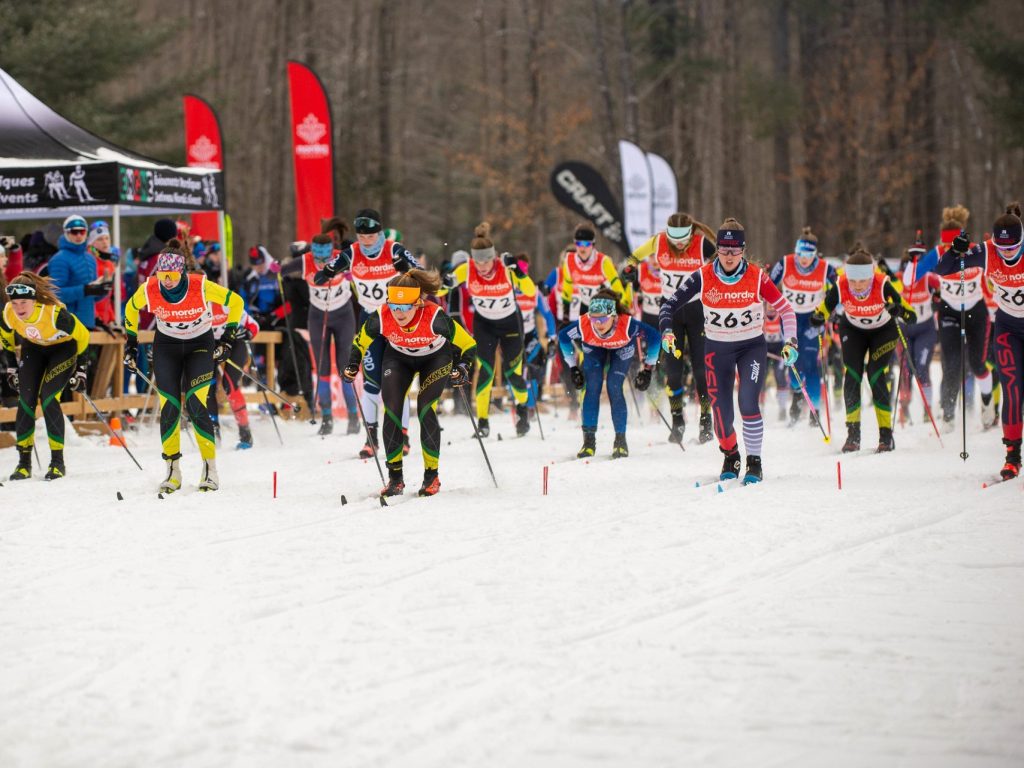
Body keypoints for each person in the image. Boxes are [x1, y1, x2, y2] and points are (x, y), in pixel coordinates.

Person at [659, 218, 798, 483]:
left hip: (750, 348)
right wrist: (666, 330)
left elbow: (786, 310)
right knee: (721, 412)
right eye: (724, 250)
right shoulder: (703, 275)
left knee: (747, 402)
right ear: (718, 250)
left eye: (734, 251)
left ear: (743, 250)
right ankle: (731, 454)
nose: (729, 256)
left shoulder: (757, 278)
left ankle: (754, 461)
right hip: (717, 349)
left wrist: (790, 342)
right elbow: (669, 305)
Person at [123, 238, 245, 493]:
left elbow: (236, 303)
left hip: (199, 344)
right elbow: (130, 308)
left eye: (172, 275)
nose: (167, 280)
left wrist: (228, 337)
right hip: (166, 346)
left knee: (195, 402)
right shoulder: (150, 288)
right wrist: (132, 342)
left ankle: (210, 468)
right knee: (170, 405)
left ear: (181, 272)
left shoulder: (200, 286)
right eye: (162, 275)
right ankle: (172, 470)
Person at [344, 269, 477, 497]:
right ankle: (395, 479)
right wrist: (353, 365)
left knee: (426, 408)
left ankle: (431, 477)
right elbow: (359, 342)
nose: (399, 312)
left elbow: (469, 344)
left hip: (435, 358)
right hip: (398, 358)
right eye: (394, 306)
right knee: (393, 410)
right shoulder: (382, 315)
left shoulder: (435, 316)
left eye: (405, 307)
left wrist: (463, 367)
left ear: (418, 303)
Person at [315, 208, 421, 458]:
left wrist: (407, 269)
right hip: (370, 321)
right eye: (361, 237)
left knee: (398, 381)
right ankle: (371, 436)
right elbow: (331, 267)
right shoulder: (352, 253)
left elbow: (420, 273)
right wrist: (325, 274)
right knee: (372, 382)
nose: (365, 241)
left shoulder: (394, 250)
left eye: (370, 236)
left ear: (379, 233)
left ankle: (402, 435)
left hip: (397, 320)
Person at [809, 245, 917, 453]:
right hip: (853, 330)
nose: (857, 286)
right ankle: (853, 435)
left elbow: (911, 316)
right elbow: (823, 309)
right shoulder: (841, 285)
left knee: (876, 374)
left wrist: (898, 310)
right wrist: (817, 317)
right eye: (853, 281)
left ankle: (886, 435)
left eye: (862, 280)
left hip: (883, 331)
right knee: (852, 376)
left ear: (871, 276)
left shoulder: (883, 283)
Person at [623, 213, 717, 444]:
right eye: (674, 239)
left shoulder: (701, 243)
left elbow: (725, 260)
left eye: (682, 239)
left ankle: (706, 419)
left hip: (697, 311)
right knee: (673, 373)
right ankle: (678, 421)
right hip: (670, 313)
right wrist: (629, 269)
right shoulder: (658, 241)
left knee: (701, 371)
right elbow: (634, 257)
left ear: (691, 233)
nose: (678, 244)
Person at [444, 223, 535, 437]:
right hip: (484, 324)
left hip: (510, 323)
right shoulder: (467, 268)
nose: (482, 266)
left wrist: (519, 272)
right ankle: (483, 422)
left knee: (514, 375)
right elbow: (443, 286)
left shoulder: (505, 266)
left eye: (486, 261)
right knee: (485, 372)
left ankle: (522, 410)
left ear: (493, 257)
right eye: (479, 261)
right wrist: (444, 281)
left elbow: (531, 291)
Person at [1, 273, 90, 480]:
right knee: (26, 400)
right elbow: (5, 337)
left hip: (63, 349)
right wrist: (12, 368)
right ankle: (23, 464)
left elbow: (83, 335)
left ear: (34, 300)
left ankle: (57, 463)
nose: (19, 308)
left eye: (24, 302)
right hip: (34, 348)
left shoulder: (54, 314)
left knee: (49, 398)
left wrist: (81, 370)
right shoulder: (8, 313)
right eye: (15, 303)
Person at [959, 203, 1024, 479]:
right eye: (1002, 247)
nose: (1006, 252)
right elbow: (948, 264)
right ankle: (1012, 456)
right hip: (1005, 324)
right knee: (1011, 388)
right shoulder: (989, 254)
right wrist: (957, 250)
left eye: (1012, 247)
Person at [558, 289, 660, 458]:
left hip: (622, 348)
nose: (598, 323)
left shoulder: (627, 324)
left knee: (614, 385)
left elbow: (655, 336)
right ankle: (588, 442)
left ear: (613, 315)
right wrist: (573, 367)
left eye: (603, 318)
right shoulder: (584, 325)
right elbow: (563, 337)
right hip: (594, 349)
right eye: (594, 318)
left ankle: (620, 441)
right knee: (592, 386)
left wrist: (648, 369)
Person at [282, 233, 359, 435]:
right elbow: (283, 270)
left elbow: (360, 261)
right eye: (317, 258)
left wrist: (353, 273)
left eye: (325, 259)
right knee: (322, 368)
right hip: (318, 318)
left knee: (345, 368)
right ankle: (326, 419)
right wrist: (276, 269)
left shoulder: (341, 257)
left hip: (343, 316)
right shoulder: (305, 260)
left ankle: (353, 417)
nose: (321, 262)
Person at [930, 205, 996, 431]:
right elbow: (913, 277)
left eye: (954, 243)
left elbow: (994, 278)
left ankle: (988, 403)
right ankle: (948, 416)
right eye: (946, 244)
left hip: (976, 312)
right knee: (952, 365)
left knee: (977, 364)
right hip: (949, 313)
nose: (950, 248)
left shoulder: (975, 251)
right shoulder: (938, 254)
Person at [769, 227, 838, 427]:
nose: (803, 259)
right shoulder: (785, 263)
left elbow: (839, 291)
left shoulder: (825, 268)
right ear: (796, 251)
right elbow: (767, 284)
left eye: (808, 255)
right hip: (788, 318)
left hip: (812, 319)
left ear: (814, 254)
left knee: (811, 364)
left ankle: (814, 410)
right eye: (800, 253)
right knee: (793, 361)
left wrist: (831, 312)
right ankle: (798, 396)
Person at [896, 231, 941, 422]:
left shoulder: (929, 277)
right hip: (904, 331)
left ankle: (928, 410)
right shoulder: (898, 278)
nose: (912, 274)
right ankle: (903, 410)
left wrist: (939, 298)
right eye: (908, 267)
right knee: (905, 369)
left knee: (921, 368)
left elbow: (944, 285)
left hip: (925, 329)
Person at [207, 303, 260, 449]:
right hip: (208, 344)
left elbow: (253, 325)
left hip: (233, 343)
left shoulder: (227, 303)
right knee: (206, 387)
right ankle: (213, 433)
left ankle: (245, 433)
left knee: (229, 385)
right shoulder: (194, 306)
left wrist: (247, 333)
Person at [47, 214, 111, 330]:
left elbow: (92, 297)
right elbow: (55, 294)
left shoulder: (90, 259)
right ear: (66, 233)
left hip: (88, 323)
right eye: (74, 232)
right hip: (66, 323)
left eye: (82, 232)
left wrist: (102, 290)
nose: (78, 235)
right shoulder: (59, 259)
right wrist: (85, 290)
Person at [514, 251, 556, 411]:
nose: (522, 273)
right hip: (512, 335)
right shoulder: (507, 288)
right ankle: (518, 404)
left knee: (533, 368)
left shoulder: (533, 290)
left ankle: (530, 406)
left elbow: (547, 314)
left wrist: (552, 338)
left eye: (524, 270)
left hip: (530, 334)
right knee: (515, 371)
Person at [86, 221, 121, 329]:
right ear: (92, 243)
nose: (105, 242)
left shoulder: (110, 263)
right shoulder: (88, 261)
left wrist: (111, 319)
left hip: (105, 320)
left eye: (107, 238)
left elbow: (108, 296)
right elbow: (88, 296)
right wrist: (95, 318)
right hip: (91, 319)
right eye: (100, 239)